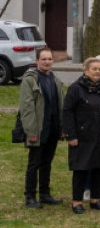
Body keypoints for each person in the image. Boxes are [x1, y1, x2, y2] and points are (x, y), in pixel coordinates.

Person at [64, 58, 100, 214]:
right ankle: (77, 201)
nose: (98, 72)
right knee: (81, 168)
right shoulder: (75, 89)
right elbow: (67, 112)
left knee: (99, 167)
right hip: (82, 136)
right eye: (94, 69)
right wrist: (71, 135)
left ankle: (95, 198)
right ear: (85, 70)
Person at [20, 47, 62, 208]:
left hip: (52, 129)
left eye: (49, 59)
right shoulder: (30, 80)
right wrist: (31, 131)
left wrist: (61, 127)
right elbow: (27, 108)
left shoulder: (54, 79)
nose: (47, 62)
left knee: (47, 163)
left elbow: (60, 104)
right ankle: (30, 196)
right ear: (37, 61)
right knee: (34, 163)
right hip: (37, 129)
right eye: (43, 59)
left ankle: (45, 194)